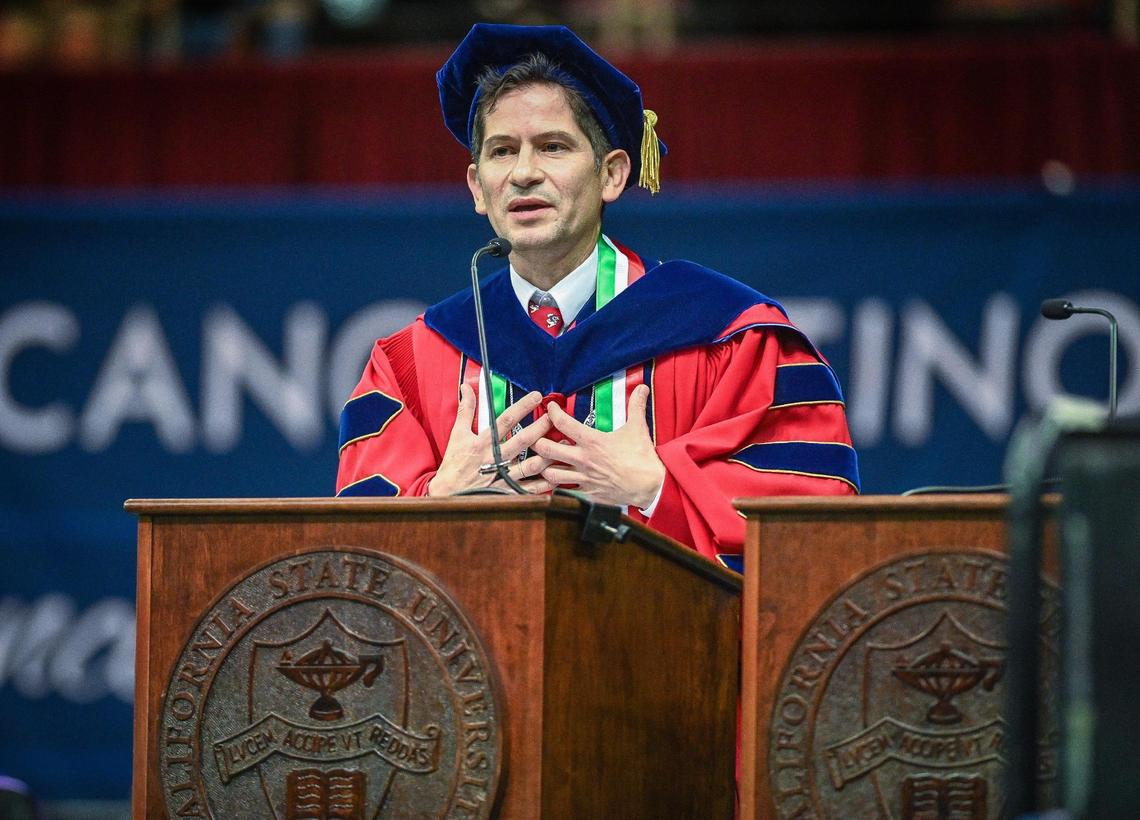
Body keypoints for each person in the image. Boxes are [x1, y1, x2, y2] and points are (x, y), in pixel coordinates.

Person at [336, 23, 858, 564]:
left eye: (553, 147)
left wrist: (655, 489)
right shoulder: (413, 363)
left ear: (611, 175)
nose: (523, 173)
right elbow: (357, 566)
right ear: (476, 188)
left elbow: (812, 527)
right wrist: (438, 502)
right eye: (501, 151)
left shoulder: (729, 335)